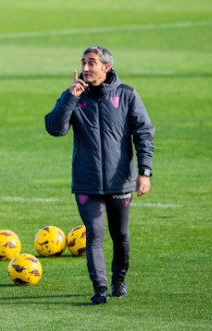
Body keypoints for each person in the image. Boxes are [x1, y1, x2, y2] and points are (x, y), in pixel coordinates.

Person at [44, 46, 154, 305]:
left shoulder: (126, 95)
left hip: (120, 181)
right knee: (94, 234)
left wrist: (144, 172)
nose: (85, 68)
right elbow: (55, 129)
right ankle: (100, 287)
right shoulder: (74, 95)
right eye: (83, 62)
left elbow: (144, 133)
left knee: (120, 235)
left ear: (106, 67)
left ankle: (118, 281)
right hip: (87, 182)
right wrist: (70, 98)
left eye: (92, 63)